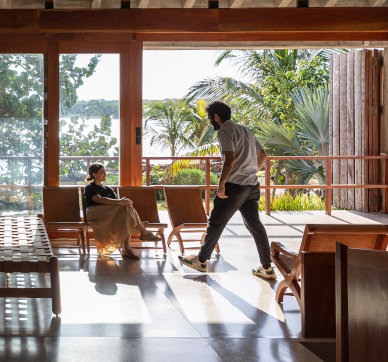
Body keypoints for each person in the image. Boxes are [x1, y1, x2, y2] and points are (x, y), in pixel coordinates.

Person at [179, 101, 276, 280]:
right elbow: (263, 154)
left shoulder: (224, 131)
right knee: (256, 226)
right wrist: (252, 172)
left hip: (235, 185)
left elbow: (229, 159)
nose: (210, 122)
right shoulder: (246, 130)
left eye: (210, 118)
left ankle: (201, 260)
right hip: (252, 185)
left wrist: (222, 184)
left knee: (216, 222)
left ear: (217, 117)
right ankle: (267, 267)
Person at [84, 162, 161, 258]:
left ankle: (127, 249)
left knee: (126, 211)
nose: (105, 174)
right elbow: (98, 199)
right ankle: (143, 233)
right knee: (125, 209)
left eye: (105, 171)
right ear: (94, 175)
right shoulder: (89, 187)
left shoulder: (108, 189)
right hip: (95, 212)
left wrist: (125, 202)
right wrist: (120, 202)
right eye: (102, 172)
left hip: (110, 213)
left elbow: (118, 202)